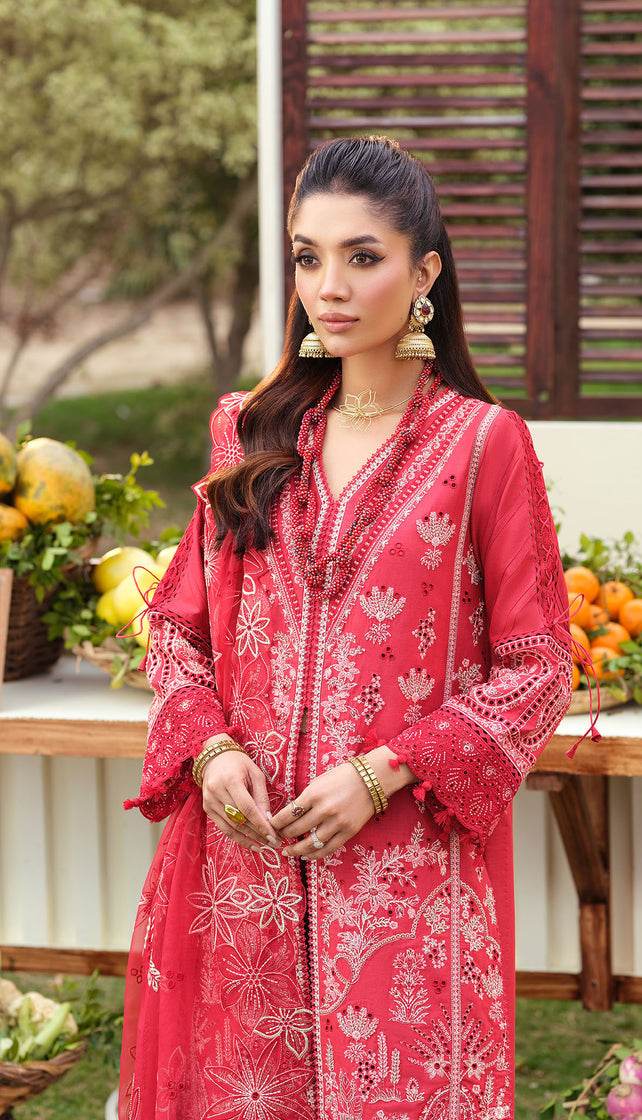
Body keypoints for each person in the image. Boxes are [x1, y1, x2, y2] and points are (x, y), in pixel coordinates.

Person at [118, 135, 574, 1120]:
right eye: (306, 256)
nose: (328, 285)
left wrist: (384, 770)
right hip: (244, 864)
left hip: (407, 875)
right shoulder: (249, 430)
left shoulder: (484, 447)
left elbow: (537, 669)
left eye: (361, 256)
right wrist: (205, 749)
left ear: (424, 275)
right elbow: (175, 632)